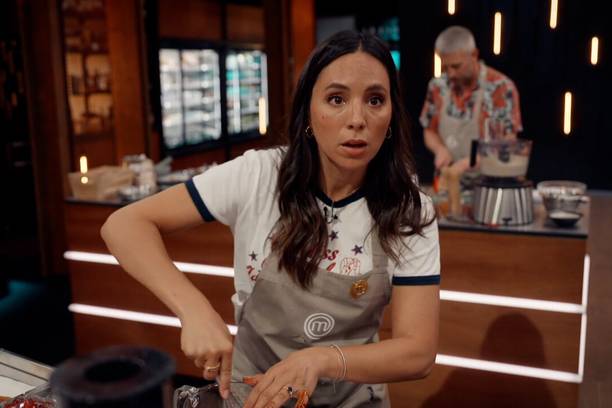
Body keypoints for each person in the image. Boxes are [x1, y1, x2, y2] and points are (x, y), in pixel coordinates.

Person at [101, 30, 440, 408]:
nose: (357, 119)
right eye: (336, 99)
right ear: (308, 111)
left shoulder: (410, 210)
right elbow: (124, 225)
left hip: (350, 400)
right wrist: (193, 309)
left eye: (375, 100)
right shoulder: (259, 176)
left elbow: (418, 352)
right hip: (253, 397)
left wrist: (323, 360)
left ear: (391, 115)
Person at [420, 25, 523, 175]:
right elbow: (429, 131)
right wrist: (440, 150)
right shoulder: (437, 86)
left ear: (474, 54)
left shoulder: (501, 88)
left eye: (456, 66)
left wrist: (470, 163)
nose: (451, 74)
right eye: (445, 68)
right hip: (449, 180)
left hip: (488, 181)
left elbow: (507, 142)